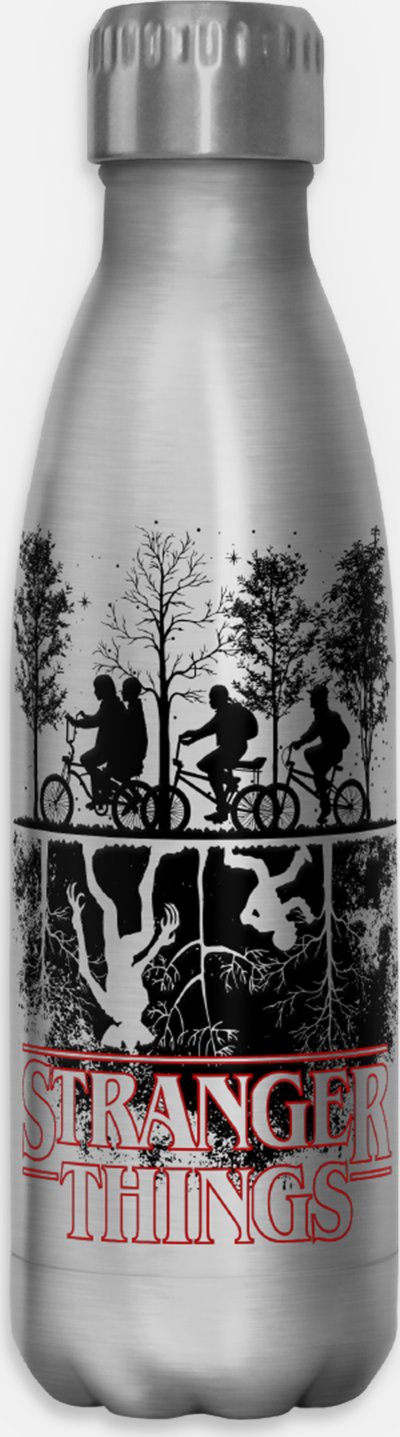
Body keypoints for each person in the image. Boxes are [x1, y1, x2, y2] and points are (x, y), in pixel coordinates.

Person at [181, 684, 257, 823]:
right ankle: (225, 793)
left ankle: (223, 801)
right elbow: (207, 730)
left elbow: (205, 730)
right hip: (234, 747)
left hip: (232, 748)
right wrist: (192, 739)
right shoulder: (226, 711)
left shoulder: (225, 713)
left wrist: (192, 736)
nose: (210, 702)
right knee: (210, 768)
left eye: (212, 698)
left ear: (218, 698)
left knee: (205, 764)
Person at [292, 683, 350, 823]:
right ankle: (324, 795)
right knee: (318, 776)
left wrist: (300, 742)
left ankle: (325, 801)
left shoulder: (326, 716)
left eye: (312, 697)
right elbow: (313, 729)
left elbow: (314, 732)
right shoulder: (321, 714)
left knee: (310, 755)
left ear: (318, 699)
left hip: (333, 751)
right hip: (327, 750)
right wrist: (301, 740)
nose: (310, 699)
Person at [69, 675, 128, 808]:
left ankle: (103, 785)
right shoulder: (110, 703)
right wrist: (85, 717)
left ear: (104, 689)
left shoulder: (111, 705)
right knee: (91, 764)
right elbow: (97, 718)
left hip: (109, 748)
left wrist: (77, 723)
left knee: (86, 759)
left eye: (97, 689)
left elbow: (96, 721)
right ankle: (98, 795)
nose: (95, 692)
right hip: (109, 747)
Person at [121, 676, 148, 777]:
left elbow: (126, 719)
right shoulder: (134, 707)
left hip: (134, 752)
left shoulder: (134, 709)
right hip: (135, 750)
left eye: (124, 690)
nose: (122, 692)